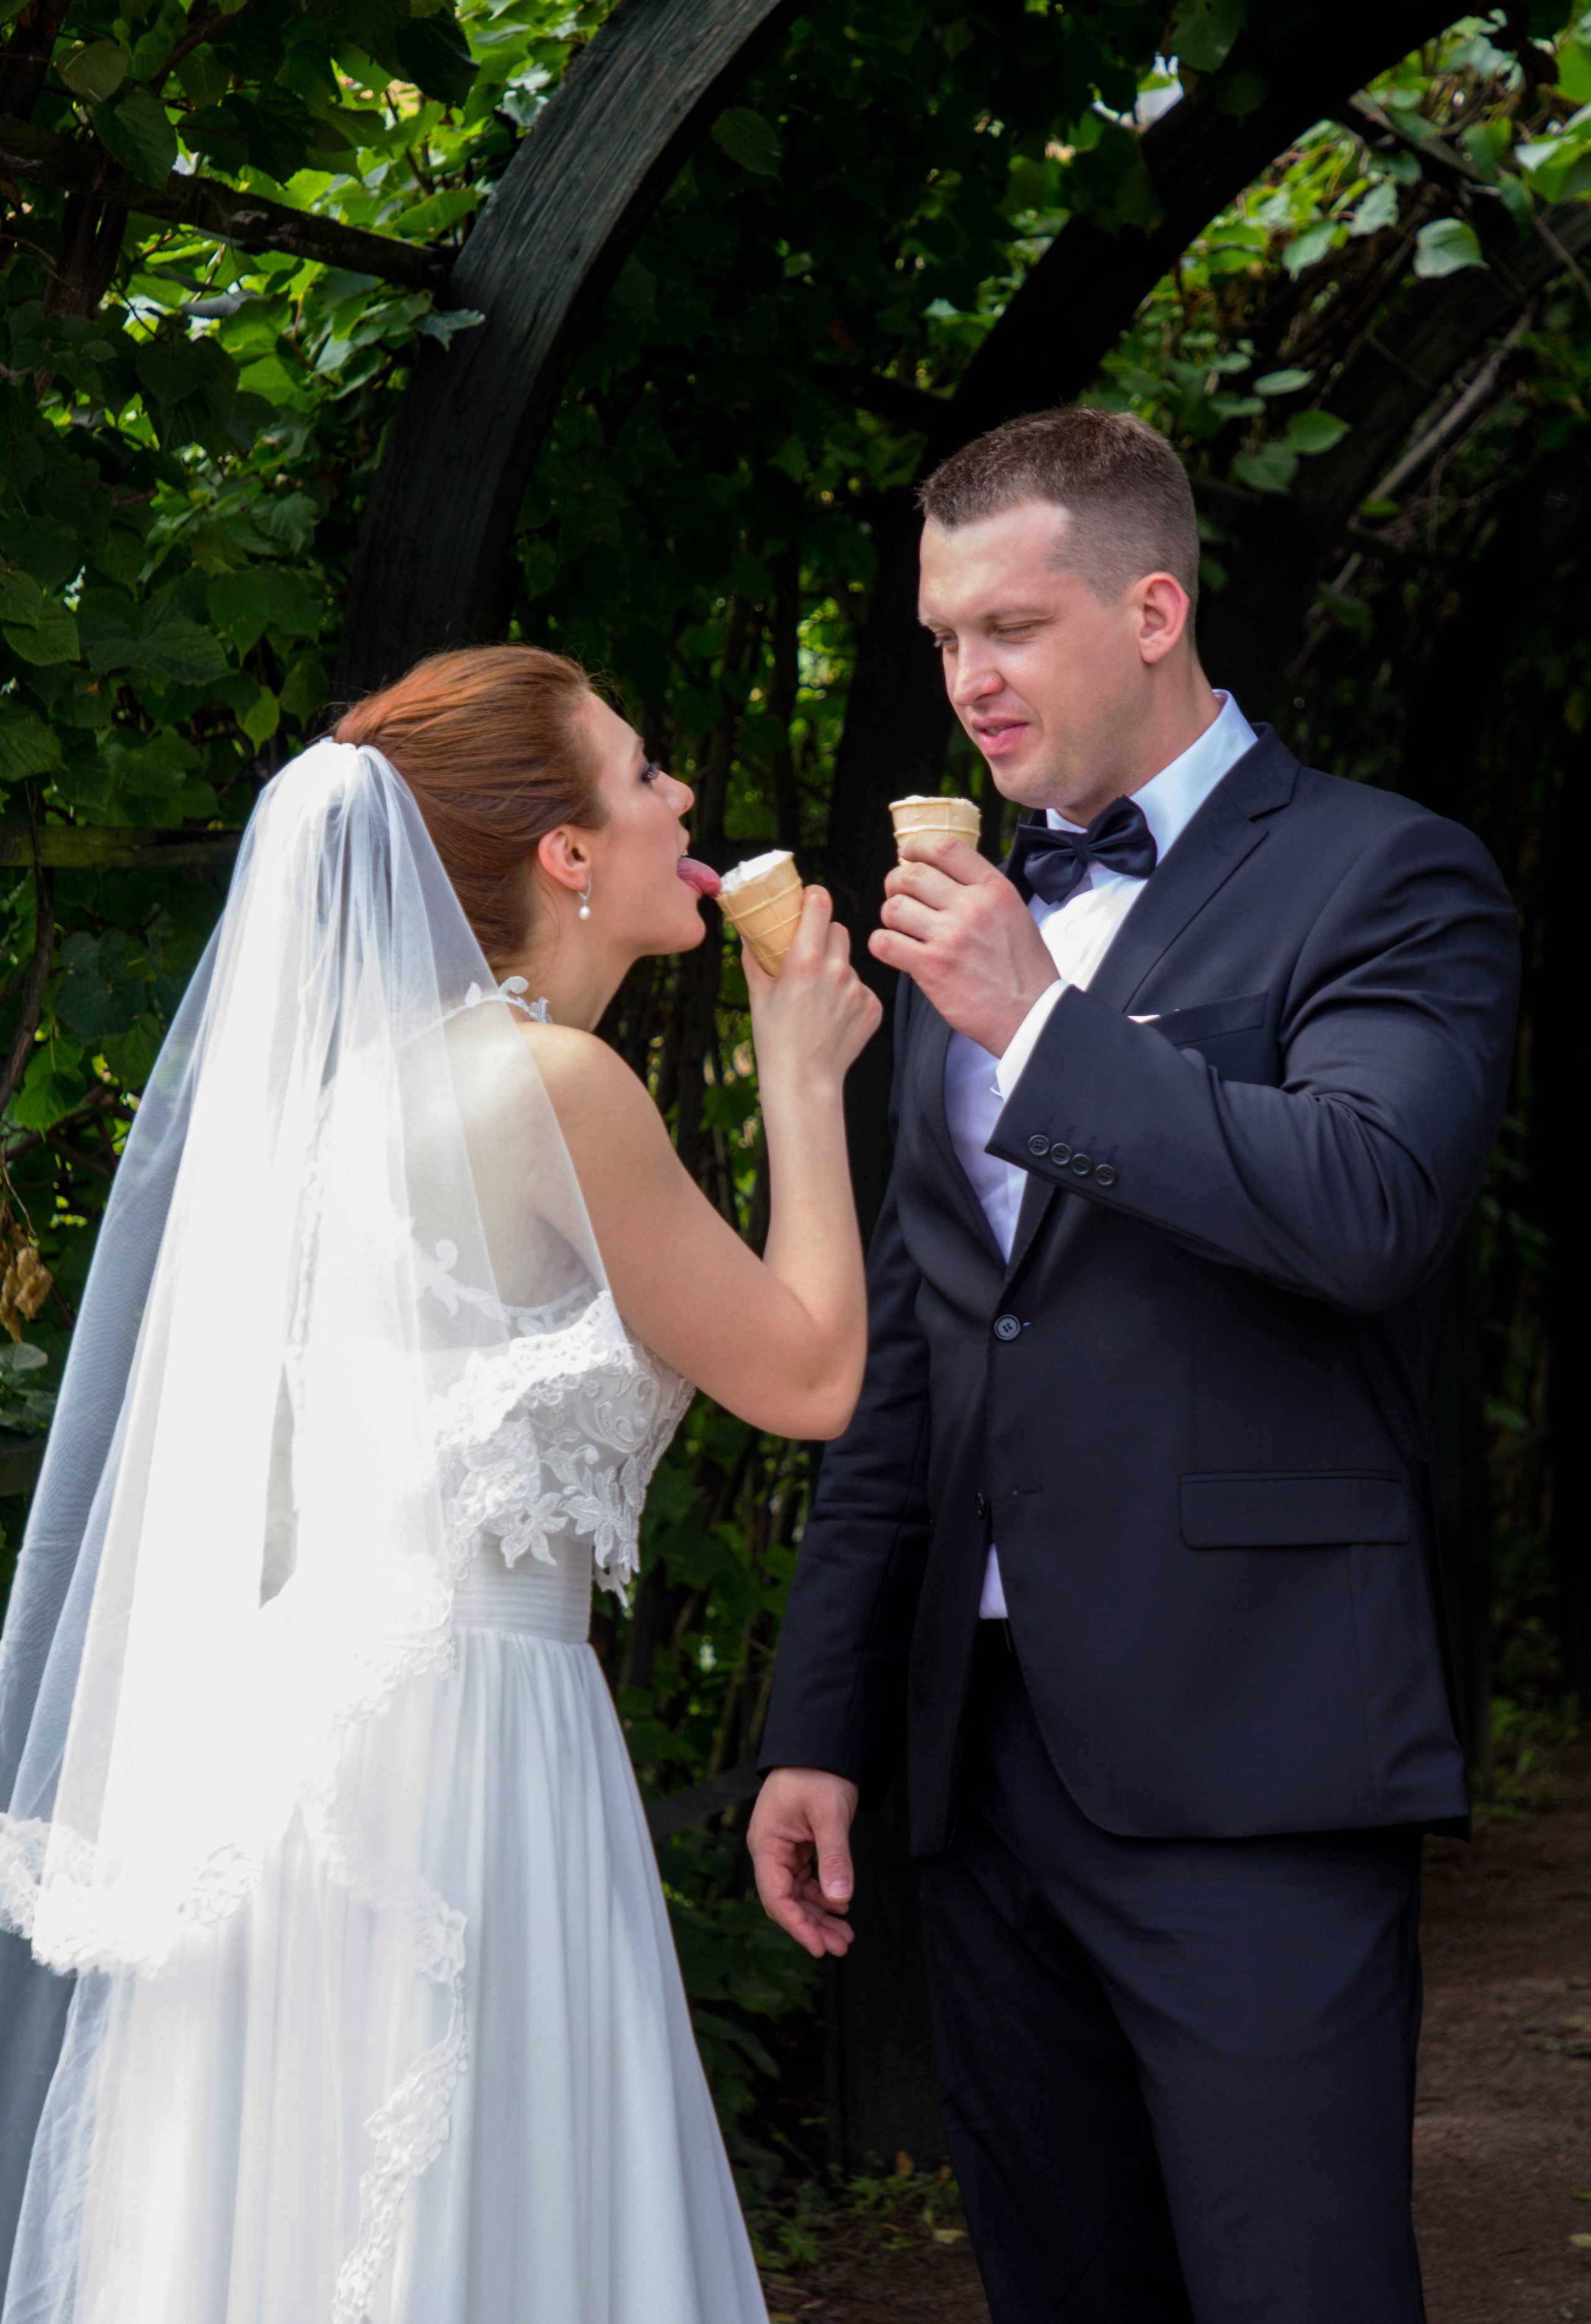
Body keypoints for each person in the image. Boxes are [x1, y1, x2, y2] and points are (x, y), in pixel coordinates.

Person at [0, 645, 879, 2324]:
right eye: (642, 776)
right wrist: (802, 1078)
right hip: (475, 1740)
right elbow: (813, 1375)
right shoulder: (553, 1086)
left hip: (315, 1738)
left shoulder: (340, 1106)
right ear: (564, 853)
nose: (681, 800)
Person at [750, 406, 1520, 2323]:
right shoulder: (983, 916)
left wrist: (1034, 1019)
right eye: (941, 641)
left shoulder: (1387, 876)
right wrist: (823, 1715)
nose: (968, 683)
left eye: (1007, 629)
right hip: (982, 1767)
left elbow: (1367, 1206)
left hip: (1253, 1746)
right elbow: (930, 1354)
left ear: (1155, 607)